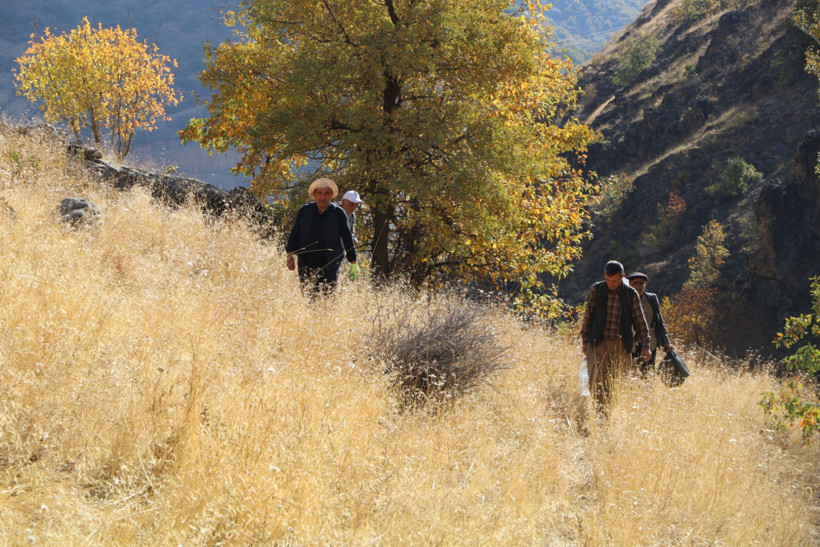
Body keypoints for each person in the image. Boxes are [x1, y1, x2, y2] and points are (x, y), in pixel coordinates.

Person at [580, 260, 652, 411]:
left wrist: (646, 345)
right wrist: (584, 340)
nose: (611, 284)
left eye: (614, 281)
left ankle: (607, 413)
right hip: (597, 343)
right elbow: (589, 315)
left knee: (614, 382)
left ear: (622, 277)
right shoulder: (596, 290)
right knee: (594, 380)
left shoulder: (630, 294)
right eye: (608, 280)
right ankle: (600, 413)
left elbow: (640, 320)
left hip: (620, 345)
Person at [285, 178, 358, 293]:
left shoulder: (339, 213)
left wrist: (353, 262)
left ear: (331, 195)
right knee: (308, 295)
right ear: (314, 194)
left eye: (326, 193)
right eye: (319, 193)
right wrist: (290, 255)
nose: (323, 197)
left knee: (327, 295)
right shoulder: (304, 211)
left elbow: (347, 238)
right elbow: (294, 233)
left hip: (331, 263)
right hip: (306, 262)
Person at [626, 272, 673, 375]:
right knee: (630, 374)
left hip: (649, 343)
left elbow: (659, 321)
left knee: (648, 374)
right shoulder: (624, 299)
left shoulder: (651, 298)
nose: (638, 286)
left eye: (641, 283)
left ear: (645, 284)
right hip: (630, 344)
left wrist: (666, 342)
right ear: (629, 284)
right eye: (635, 283)